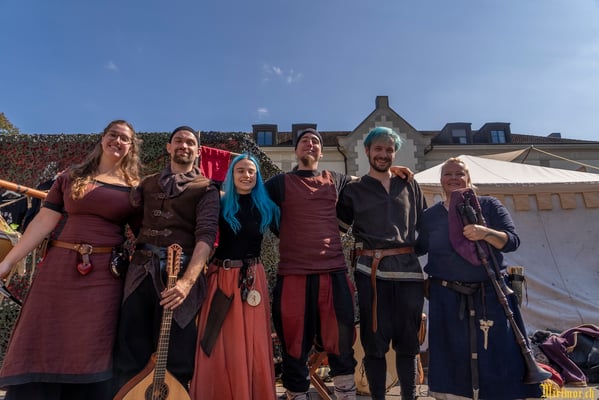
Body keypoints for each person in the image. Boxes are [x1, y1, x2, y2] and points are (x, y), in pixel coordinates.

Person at [264, 128, 412, 400]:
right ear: (296, 150)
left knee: (342, 346)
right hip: (293, 275)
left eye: (315, 141)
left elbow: (367, 180)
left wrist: (390, 170)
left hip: (333, 274)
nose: (310, 144)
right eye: (304, 141)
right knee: (294, 348)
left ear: (321, 152)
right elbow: (249, 194)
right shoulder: (278, 183)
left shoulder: (336, 179)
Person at [0, 120, 142, 400]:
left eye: (124, 138)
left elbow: (144, 233)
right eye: (113, 135)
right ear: (103, 138)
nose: (117, 141)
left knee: (92, 340)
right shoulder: (71, 176)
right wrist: (7, 262)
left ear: (131, 147)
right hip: (58, 268)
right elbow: (44, 220)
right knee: (44, 332)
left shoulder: (135, 188)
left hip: (104, 276)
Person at [417, 157, 543, 399]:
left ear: (468, 178)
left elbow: (512, 241)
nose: (454, 178)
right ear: (440, 180)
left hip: (490, 292)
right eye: (448, 174)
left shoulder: (489, 205)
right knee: (452, 351)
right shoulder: (430, 215)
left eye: (459, 173)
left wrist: (485, 233)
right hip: (446, 296)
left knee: (497, 349)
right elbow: (419, 247)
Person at [112, 126, 220, 394]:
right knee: (130, 350)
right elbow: (131, 220)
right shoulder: (147, 184)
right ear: (169, 147)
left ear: (198, 150)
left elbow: (206, 237)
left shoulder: (206, 188)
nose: (184, 145)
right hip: (140, 272)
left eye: (190, 142)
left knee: (177, 355)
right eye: (179, 141)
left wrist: (186, 283)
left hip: (181, 275)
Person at [337, 127, 426, 400]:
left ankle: (409, 396)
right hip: (371, 274)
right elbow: (335, 229)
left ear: (395, 153)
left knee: (408, 343)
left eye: (389, 150)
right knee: (374, 343)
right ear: (367, 151)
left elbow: (425, 227)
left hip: (409, 274)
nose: (383, 154)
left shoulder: (409, 184)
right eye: (378, 148)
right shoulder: (353, 190)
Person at [189, 153, 280, 400]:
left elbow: (293, 233)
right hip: (222, 278)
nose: (246, 175)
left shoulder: (267, 207)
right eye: (240, 170)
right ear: (231, 174)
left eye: (251, 171)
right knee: (217, 340)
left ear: (257, 176)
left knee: (253, 342)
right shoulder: (219, 201)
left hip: (253, 280)